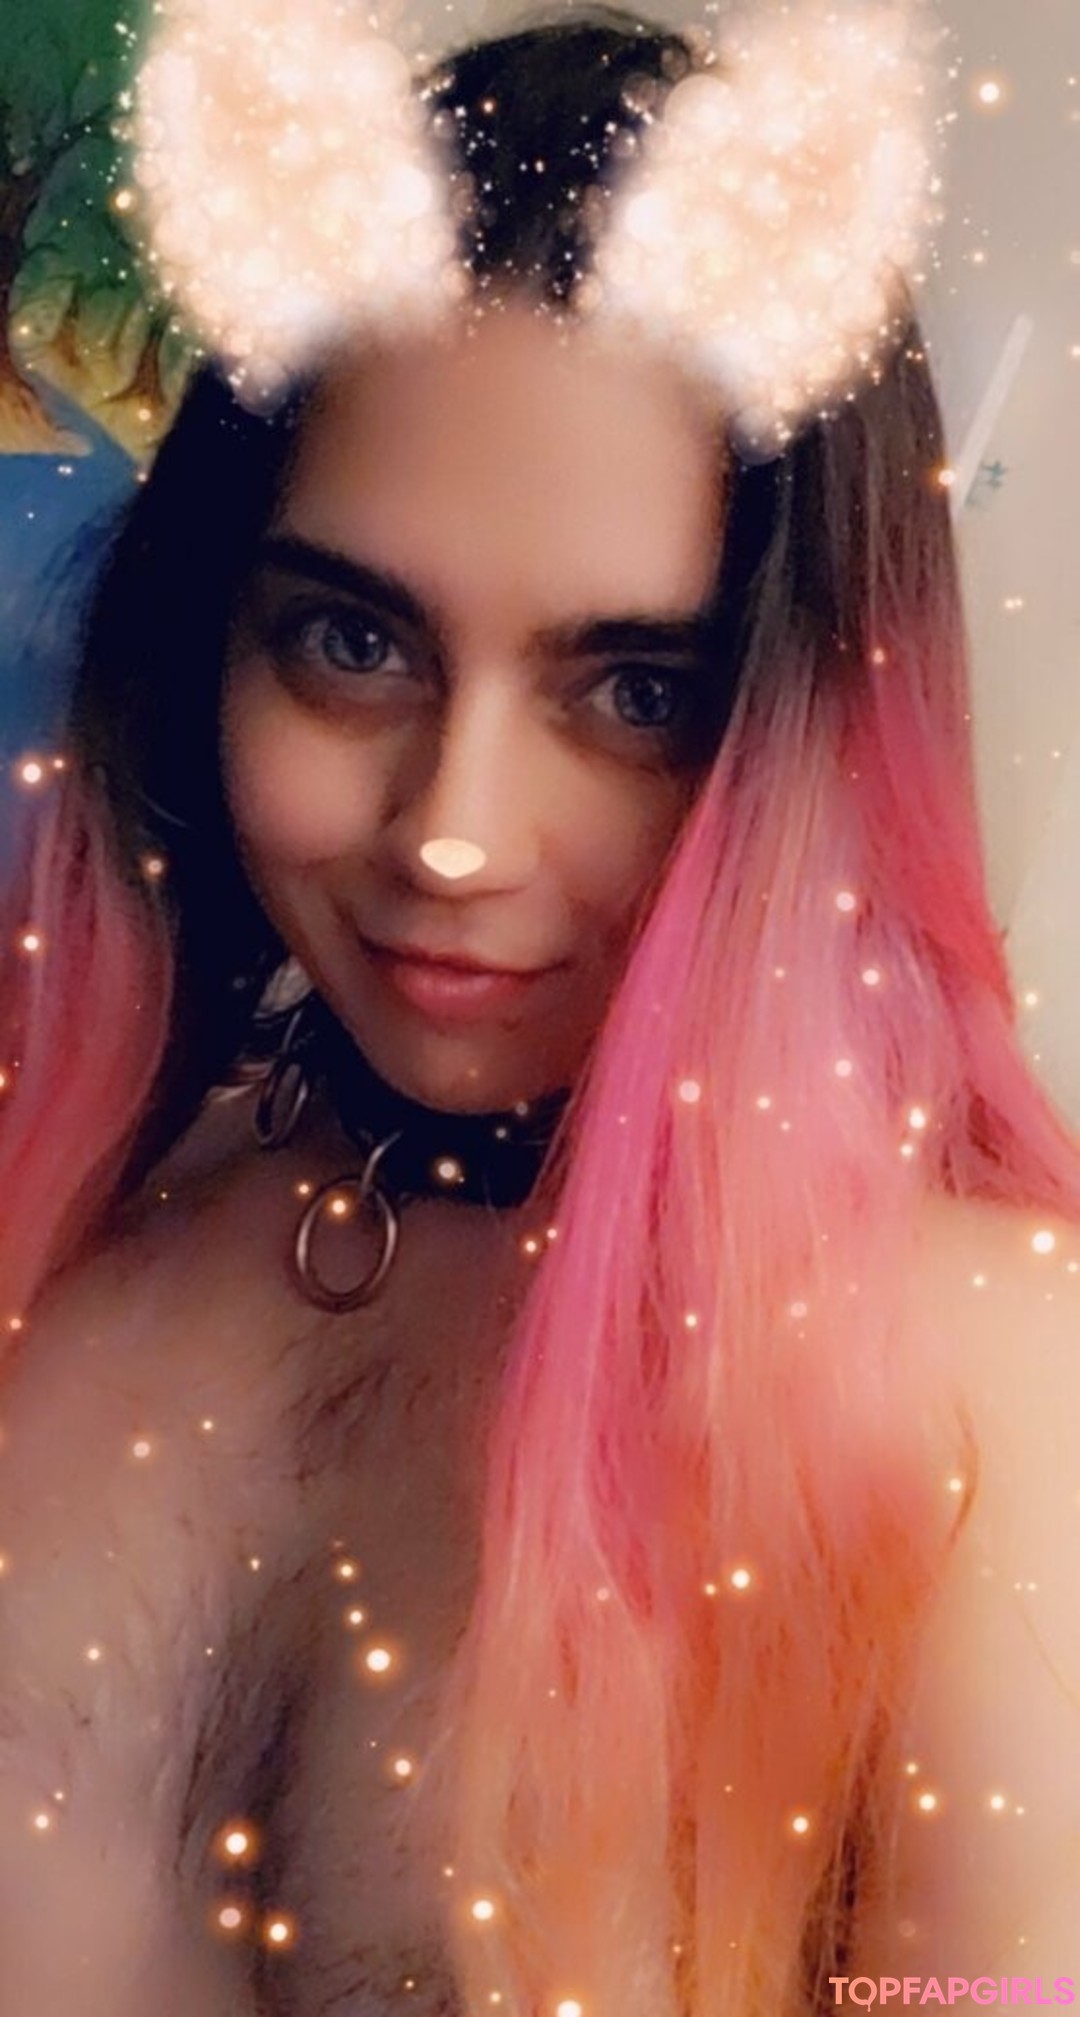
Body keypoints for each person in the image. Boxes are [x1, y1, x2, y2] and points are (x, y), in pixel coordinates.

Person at [2, 5, 1080, 2014]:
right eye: (353, 642)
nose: (455, 837)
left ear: (812, 738)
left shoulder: (985, 1399)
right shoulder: (79, 1240)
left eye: (637, 692)